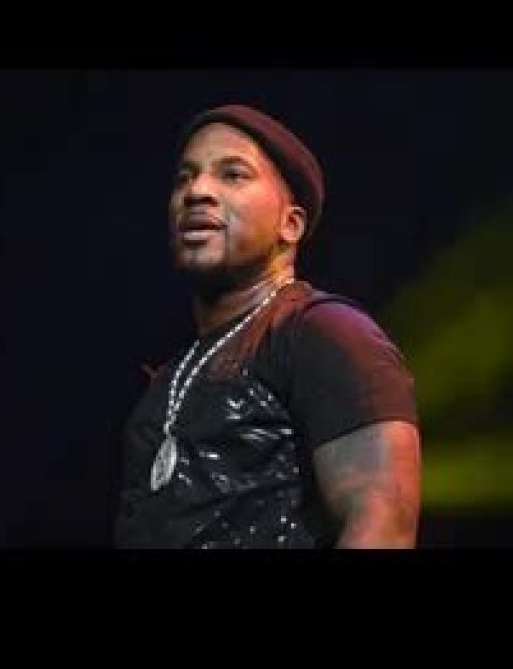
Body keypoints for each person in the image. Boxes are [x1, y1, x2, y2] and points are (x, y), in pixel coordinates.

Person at [114, 104, 421, 549]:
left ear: (290, 224)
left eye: (233, 175)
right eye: (184, 177)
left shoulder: (325, 332)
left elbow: (383, 521)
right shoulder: (172, 374)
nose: (197, 191)